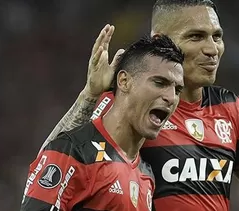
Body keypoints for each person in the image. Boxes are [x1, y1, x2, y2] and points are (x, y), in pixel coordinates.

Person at [38, 1, 239, 211]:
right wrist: (90, 96)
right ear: (161, 39)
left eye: (216, 36)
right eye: (196, 37)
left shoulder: (231, 108)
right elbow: (53, 165)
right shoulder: (133, 106)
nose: (212, 49)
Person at [20, 34, 184, 211]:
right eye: (160, 83)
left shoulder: (146, 175)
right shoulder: (73, 152)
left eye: (177, 90)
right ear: (124, 81)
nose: (171, 97)